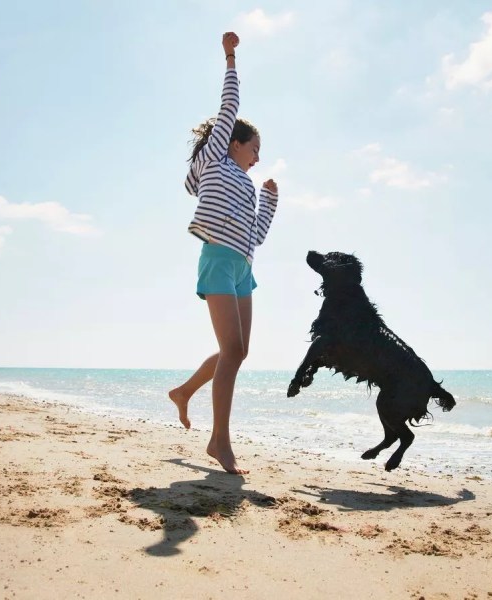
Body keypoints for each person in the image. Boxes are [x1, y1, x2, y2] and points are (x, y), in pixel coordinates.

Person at [169, 31, 278, 475]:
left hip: (243, 268)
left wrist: (270, 201)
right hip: (217, 260)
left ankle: (183, 392)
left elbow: (256, 236)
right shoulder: (217, 160)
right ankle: (219, 441)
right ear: (234, 143)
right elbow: (228, 108)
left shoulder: (249, 184)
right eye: (254, 149)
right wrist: (230, 58)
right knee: (231, 351)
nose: (257, 158)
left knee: (238, 351)